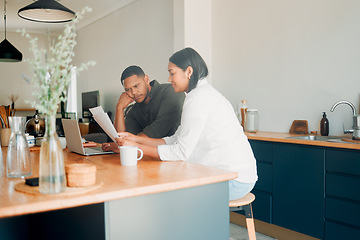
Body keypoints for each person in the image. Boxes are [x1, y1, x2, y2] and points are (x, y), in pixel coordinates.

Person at [116, 48, 257, 200]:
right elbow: (175, 138)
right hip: (237, 177)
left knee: (165, 186)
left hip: (233, 180)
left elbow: (180, 152)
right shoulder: (199, 94)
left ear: (188, 71)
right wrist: (136, 139)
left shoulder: (198, 98)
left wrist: (136, 149)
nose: (169, 79)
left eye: (172, 73)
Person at [103, 65, 185, 152]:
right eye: (128, 89)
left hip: (176, 156)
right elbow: (122, 139)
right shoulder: (133, 110)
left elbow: (128, 143)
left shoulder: (172, 92)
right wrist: (119, 108)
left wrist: (125, 144)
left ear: (146, 79)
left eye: (136, 86)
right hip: (148, 157)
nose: (133, 93)